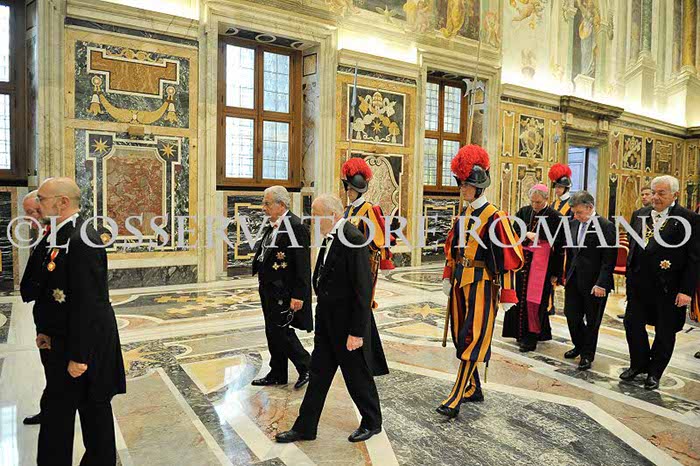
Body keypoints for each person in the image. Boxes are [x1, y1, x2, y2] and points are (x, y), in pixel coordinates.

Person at [275, 194, 389, 444]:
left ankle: (372, 422)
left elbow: (362, 290)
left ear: (334, 215)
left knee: (357, 377)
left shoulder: (353, 238)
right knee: (318, 376)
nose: (313, 221)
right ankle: (305, 427)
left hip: (348, 326)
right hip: (328, 323)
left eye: (317, 216)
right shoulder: (330, 237)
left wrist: (357, 332)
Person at [34, 177, 126, 465]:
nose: (37, 205)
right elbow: (51, 292)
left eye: (41, 199)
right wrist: (45, 330)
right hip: (64, 339)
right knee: (75, 410)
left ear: (62, 202)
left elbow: (89, 304)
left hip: (81, 345)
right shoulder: (61, 234)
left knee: (87, 411)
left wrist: (79, 356)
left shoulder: (82, 239)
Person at [438, 145, 524, 418]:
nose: (461, 188)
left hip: (483, 284)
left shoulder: (495, 217)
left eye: (466, 184)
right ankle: (474, 387)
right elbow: (452, 250)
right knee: (459, 336)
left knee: (472, 338)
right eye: (461, 183)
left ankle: (456, 396)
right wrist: (448, 275)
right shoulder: (463, 215)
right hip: (460, 283)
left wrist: (508, 292)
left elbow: (508, 257)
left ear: (478, 186)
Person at [621, 175, 700, 390]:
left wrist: (686, 291)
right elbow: (634, 248)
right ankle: (638, 364)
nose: (655, 197)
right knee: (632, 324)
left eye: (661, 193)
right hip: (639, 284)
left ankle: (655, 372)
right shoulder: (640, 214)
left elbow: (694, 258)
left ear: (675, 194)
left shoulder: (689, 218)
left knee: (665, 331)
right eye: (654, 192)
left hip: (669, 286)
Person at [251, 186, 312, 389]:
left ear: (281, 204)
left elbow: (303, 264)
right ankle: (277, 372)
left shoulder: (296, 226)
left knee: (281, 331)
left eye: (267, 203)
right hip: (268, 288)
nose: (263, 208)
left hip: (284, 290)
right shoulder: (274, 224)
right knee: (272, 331)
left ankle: (307, 366)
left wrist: (299, 295)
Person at [503, 184, 565, 352]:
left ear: (546, 199)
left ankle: (532, 336)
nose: (535, 205)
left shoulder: (556, 217)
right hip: (522, 264)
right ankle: (519, 333)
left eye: (538, 202)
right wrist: (525, 235)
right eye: (532, 202)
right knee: (519, 298)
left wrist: (556, 273)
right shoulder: (524, 212)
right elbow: (512, 230)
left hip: (543, 268)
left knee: (536, 302)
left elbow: (560, 247)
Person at [563, 191, 617, 371]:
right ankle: (579, 345)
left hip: (595, 282)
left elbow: (609, 259)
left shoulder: (606, 226)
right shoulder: (572, 223)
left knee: (593, 320)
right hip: (574, 279)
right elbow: (572, 253)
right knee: (571, 315)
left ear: (589, 207)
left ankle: (587, 354)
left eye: (579, 212)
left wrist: (601, 283)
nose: (575, 216)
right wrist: (566, 275)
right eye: (574, 212)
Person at [341, 157, 395, 308]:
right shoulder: (347, 210)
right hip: (346, 261)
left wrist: (385, 260)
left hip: (364, 262)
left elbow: (381, 236)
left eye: (351, 189)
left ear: (359, 190)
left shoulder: (370, 210)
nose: (348, 192)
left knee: (362, 302)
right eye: (347, 188)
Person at [19, 190, 48, 426]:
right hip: (46, 317)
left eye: (32, 212)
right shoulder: (47, 234)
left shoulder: (66, 238)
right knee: (51, 369)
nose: (29, 219)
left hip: (55, 322)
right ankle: (50, 410)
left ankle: (52, 412)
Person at [617, 186, 653, 319]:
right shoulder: (637, 213)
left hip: (648, 258)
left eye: (647, 194)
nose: (644, 197)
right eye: (642, 194)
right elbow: (630, 233)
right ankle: (629, 311)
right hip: (635, 257)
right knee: (632, 287)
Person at [547, 163, 573, 316]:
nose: (557, 190)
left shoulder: (571, 204)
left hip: (565, 245)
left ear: (566, 187)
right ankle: (549, 305)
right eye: (556, 187)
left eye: (559, 187)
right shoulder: (554, 203)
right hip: (553, 243)